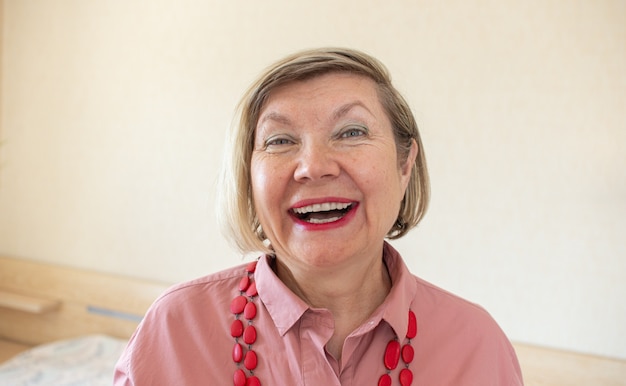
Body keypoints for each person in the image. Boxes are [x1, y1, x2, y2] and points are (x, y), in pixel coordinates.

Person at [114, 47, 523, 386]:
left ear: (405, 165)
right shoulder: (174, 330)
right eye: (280, 140)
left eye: (351, 132)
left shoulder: (476, 345)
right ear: (248, 180)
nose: (313, 166)